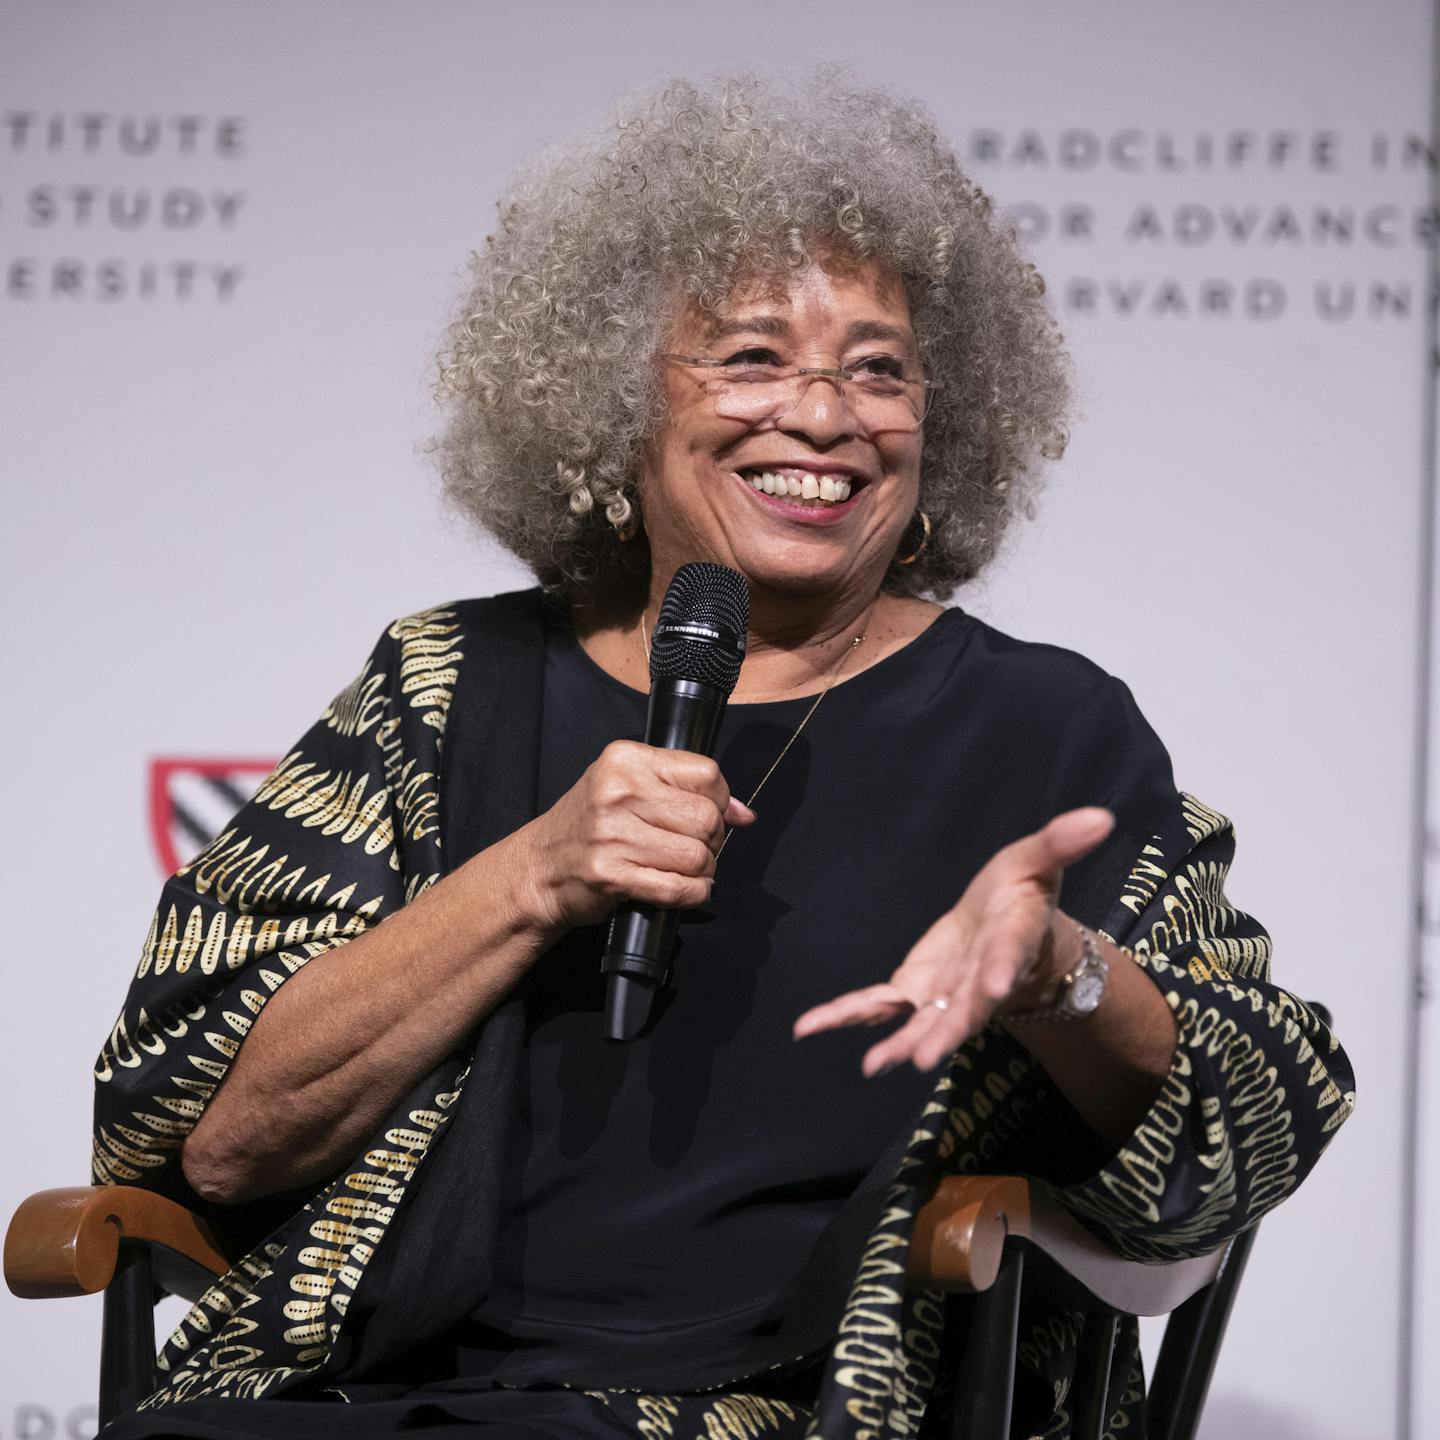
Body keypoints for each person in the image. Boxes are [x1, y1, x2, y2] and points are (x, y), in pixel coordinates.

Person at [93, 72, 1354, 1439]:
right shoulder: (451, 688)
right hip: (389, 1396)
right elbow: (197, 1132)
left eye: (879, 368)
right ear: (612, 402)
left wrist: (1065, 976)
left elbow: (1251, 1127)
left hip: (820, 1409)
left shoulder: (1047, 733)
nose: (822, 417)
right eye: (751, 356)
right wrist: (532, 877)